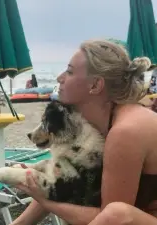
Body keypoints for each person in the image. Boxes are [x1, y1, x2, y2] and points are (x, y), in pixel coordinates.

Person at [11, 39, 157, 225]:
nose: (60, 78)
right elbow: (63, 176)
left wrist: (44, 199)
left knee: (117, 213)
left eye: (70, 71)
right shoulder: (98, 122)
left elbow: (110, 219)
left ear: (95, 85)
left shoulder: (125, 131)